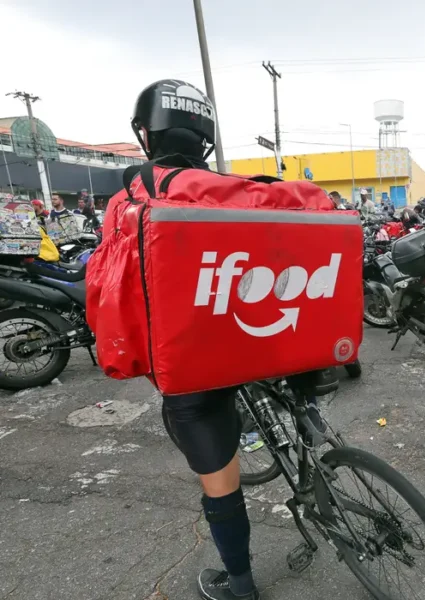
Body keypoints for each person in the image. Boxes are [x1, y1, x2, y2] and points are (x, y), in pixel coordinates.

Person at [107, 80, 266, 600]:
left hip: (194, 363)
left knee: (217, 475)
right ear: (206, 137)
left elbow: (113, 292)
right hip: (261, 340)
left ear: (144, 133)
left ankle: (240, 583)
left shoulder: (131, 197)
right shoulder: (237, 190)